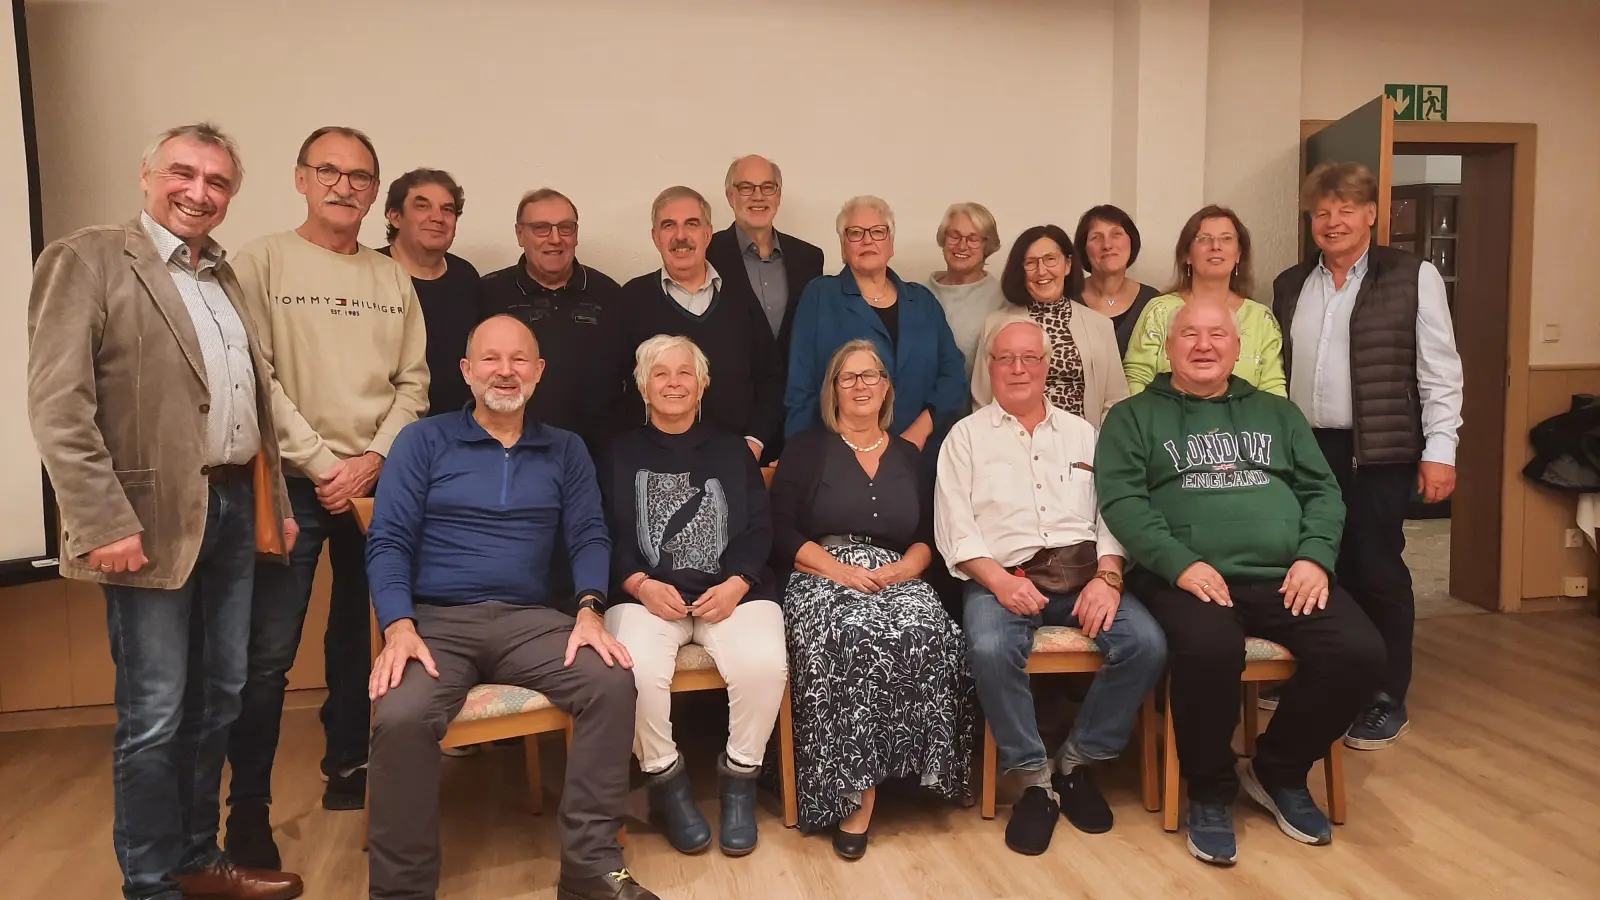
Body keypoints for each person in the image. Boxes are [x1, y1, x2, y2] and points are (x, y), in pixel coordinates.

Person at [27, 122, 304, 900]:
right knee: (154, 713)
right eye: (184, 174)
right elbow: (58, 406)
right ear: (145, 174)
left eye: (217, 183)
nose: (199, 192)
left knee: (220, 699)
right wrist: (100, 518)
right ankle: (150, 884)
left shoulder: (223, 276)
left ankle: (197, 860)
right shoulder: (87, 260)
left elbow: (252, 406)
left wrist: (273, 505)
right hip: (144, 523)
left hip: (230, 510)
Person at [364, 314, 655, 900]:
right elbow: (388, 539)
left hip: (529, 621)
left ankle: (591, 867)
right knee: (399, 715)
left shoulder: (565, 449)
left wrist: (591, 611)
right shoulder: (421, 441)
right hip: (436, 623)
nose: (505, 371)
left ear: (539, 372)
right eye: (490, 359)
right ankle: (401, 889)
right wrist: (397, 625)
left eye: (519, 359)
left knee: (611, 680)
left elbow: (590, 536)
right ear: (466, 371)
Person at [1095, 302, 1387, 867]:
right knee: (1208, 651)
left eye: (1216, 335)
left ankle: (1278, 769)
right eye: (1190, 335)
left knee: (1360, 652)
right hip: (1186, 578)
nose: (1203, 345)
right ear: (1168, 347)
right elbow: (1124, 502)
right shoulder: (1132, 417)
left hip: (1286, 575)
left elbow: (1323, 493)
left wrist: (1315, 558)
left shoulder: (1279, 413)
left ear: (1235, 346)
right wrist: (1179, 563)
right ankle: (1209, 791)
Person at [225, 126, 430, 868]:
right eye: (329, 172)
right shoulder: (263, 261)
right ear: (302, 179)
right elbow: (253, 376)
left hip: (379, 488)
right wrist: (323, 465)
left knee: (364, 637)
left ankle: (349, 765)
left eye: (360, 176)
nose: (344, 186)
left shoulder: (391, 278)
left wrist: (373, 460)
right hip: (294, 487)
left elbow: (415, 384)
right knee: (268, 654)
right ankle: (247, 808)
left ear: (376, 193)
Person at [936, 319, 1166, 856]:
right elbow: (955, 526)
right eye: (1005, 359)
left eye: (1029, 359)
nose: (1018, 368)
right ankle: (1034, 779)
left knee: (1146, 643)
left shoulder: (1084, 433)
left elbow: (1113, 514)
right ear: (989, 368)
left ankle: (1078, 761)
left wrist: (1109, 579)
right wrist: (999, 582)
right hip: (1003, 578)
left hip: (1086, 576)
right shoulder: (965, 437)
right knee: (990, 648)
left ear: (1046, 367)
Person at [1272, 162, 1464, 749]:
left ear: (1372, 215)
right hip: (1306, 447)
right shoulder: (1290, 283)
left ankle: (1385, 694)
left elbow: (1440, 371)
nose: (1333, 222)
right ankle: (1325, 674)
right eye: (1322, 212)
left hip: (1378, 449)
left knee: (1375, 569)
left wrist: (1442, 449)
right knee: (1315, 563)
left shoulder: (1412, 275)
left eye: (1346, 210)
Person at [772, 340, 974, 858]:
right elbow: (779, 528)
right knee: (852, 635)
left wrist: (907, 567)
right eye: (848, 377)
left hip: (897, 572)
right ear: (833, 389)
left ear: (886, 387)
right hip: (821, 572)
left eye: (871, 376)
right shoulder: (805, 447)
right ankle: (854, 793)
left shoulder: (910, 454)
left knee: (929, 630)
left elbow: (931, 530)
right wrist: (838, 570)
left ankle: (913, 774)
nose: (860, 386)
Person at [599, 334, 787, 858]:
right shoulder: (616, 453)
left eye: (685, 373)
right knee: (629, 670)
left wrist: (738, 583)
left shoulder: (732, 449)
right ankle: (666, 785)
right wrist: (637, 582)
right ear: (642, 385)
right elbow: (600, 533)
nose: (674, 383)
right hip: (647, 597)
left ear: (702, 384)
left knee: (764, 664)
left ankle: (740, 781)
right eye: (661, 374)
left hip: (732, 595)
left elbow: (759, 528)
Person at [785, 195, 966, 455]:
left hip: (920, 454)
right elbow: (800, 387)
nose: (867, 240)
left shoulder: (922, 301)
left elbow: (953, 375)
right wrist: (797, 455)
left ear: (891, 243)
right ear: (843, 247)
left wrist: (919, 431)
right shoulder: (820, 297)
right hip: (840, 457)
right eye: (855, 233)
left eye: (878, 232)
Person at [619, 186, 783, 457]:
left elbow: (771, 377)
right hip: (656, 461)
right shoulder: (631, 300)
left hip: (733, 461)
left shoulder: (741, 297)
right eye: (669, 225)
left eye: (691, 224)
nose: (680, 236)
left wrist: (754, 442)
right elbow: (614, 388)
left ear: (708, 234)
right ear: (655, 237)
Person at [481, 188, 631, 455]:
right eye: (541, 228)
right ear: (520, 234)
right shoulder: (488, 295)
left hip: (596, 457)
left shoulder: (611, 295)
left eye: (565, 228)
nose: (555, 239)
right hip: (508, 454)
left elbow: (630, 381)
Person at [707, 155, 825, 461]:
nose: (758, 196)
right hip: (730, 425)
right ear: (729, 196)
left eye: (767, 187)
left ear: (779, 195)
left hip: (797, 421)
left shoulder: (810, 258)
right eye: (746, 187)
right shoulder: (707, 255)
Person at [971, 225, 1129, 428]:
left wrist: (1099, 448)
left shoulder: (1100, 326)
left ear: (1068, 265)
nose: (1041, 271)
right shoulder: (996, 325)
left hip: (1083, 447)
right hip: (1012, 446)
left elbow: (1116, 402)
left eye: (1050, 259)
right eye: (1030, 263)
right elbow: (982, 401)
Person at [1123, 205, 1285, 396]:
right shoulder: (1159, 311)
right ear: (1187, 255)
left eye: (1226, 239)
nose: (1216, 246)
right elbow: (1137, 378)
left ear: (1239, 254)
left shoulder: (1261, 319)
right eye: (1204, 239)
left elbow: (1273, 391)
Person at [379, 168, 481, 416]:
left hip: (457, 432)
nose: (437, 217)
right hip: (384, 435)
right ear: (395, 217)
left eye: (447, 209)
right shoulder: (370, 273)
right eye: (422, 206)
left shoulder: (465, 276)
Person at [926, 202, 1008, 383]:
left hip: (977, 407)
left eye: (973, 238)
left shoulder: (1003, 299)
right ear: (943, 239)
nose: (962, 246)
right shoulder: (918, 295)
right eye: (954, 236)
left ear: (987, 245)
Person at [1072, 204, 1160, 356]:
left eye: (1116, 234)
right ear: (1084, 249)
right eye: (1096, 238)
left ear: (1131, 242)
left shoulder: (1153, 302)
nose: (1107, 245)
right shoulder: (1066, 300)